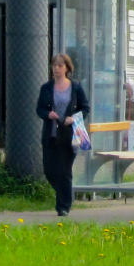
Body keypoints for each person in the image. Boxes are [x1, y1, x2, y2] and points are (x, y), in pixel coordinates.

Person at [36, 53, 90, 216]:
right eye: (54, 65)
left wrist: (73, 118)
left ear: (67, 68)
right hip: (51, 135)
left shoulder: (76, 87)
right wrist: (48, 114)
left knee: (64, 170)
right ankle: (64, 194)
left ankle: (63, 206)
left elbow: (85, 108)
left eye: (60, 65)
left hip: (69, 136)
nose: (57, 68)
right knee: (49, 171)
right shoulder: (46, 87)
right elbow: (39, 109)